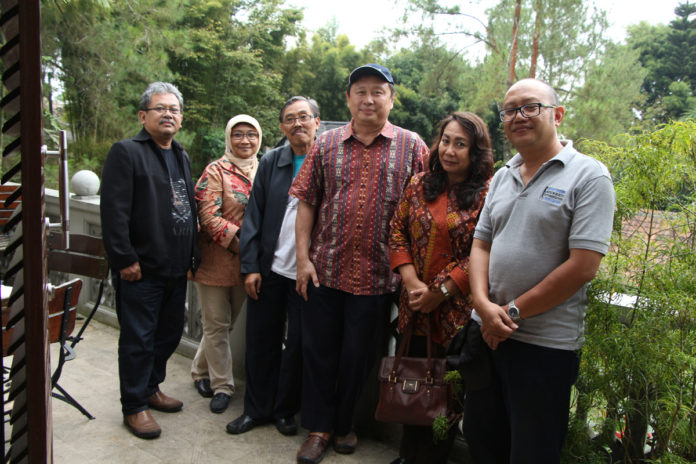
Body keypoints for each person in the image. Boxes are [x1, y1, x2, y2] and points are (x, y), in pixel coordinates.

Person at [462, 78, 616, 463]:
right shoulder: (502, 175)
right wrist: (482, 306)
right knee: (482, 443)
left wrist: (510, 314)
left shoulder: (589, 176)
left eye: (530, 107)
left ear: (557, 114)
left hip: (544, 346)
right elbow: (481, 244)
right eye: (510, 110)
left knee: (532, 451)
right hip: (486, 333)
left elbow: (583, 267)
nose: (518, 116)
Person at [290, 63, 429, 464]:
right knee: (318, 353)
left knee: (358, 359)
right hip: (324, 271)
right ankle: (318, 428)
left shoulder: (412, 146)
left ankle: (345, 422)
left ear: (391, 98)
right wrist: (303, 260)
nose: (369, 99)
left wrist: (412, 274)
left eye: (378, 91)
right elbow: (307, 203)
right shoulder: (326, 143)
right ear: (348, 98)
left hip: (378, 278)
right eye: (360, 91)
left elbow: (423, 213)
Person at [388, 112, 493, 464]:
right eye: (446, 140)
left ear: (476, 151)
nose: (450, 150)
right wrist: (413, 283)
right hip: (414, 305)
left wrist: (441, 292)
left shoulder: (489, 194)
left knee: (445, 397)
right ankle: (407, 455)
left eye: (460, 144)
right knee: (411, 383)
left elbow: (484, 250)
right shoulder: (419, 183)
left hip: (457, 316)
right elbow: (397, 231)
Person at [101, 81, 200, 439]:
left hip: (176, 268)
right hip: (140, 270)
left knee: (168, 335)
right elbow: (113, 212)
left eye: (174, 109)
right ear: (143, 116)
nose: (168, 114)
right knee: (138, 340)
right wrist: (124, 258)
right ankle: (134, 406)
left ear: (181, 118)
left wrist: (193, 256)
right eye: (160, 108)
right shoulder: (126, 152)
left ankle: (152, 388)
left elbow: (187, 208)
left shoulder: (181, 156)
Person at [226, 96, 321, 437]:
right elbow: (253, 217)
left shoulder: (328, 160)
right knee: (260, 342)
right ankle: (256, 409)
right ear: (282, 127)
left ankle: (284, 410)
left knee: (297, 345)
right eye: (290, 119)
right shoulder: (271, 161)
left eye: (304, 117)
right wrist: (250, 266)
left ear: (317, 121)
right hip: (269, 270)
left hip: (308, 274)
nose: (298, 124)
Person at [190, 114, 262, 415]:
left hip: (250, 264)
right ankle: (223, 386)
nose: (245, 141)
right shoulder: (215, 170)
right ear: (228, 138)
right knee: (217, 326)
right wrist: (246, 245)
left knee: (225, 323)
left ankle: (198, 369)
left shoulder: (265, 168)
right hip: (215, 260)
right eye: (238, 134)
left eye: (251, 134)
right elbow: (208, 217)